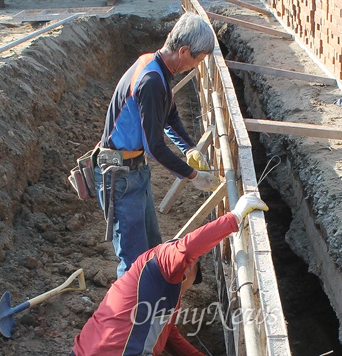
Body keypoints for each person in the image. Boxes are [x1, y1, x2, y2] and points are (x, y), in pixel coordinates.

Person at [93, 12, 219, 279]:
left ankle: (148, 309)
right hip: (119, 176)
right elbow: (154, 146)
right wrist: (193, 176)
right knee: (133, 262)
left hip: (133, 171)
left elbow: (169, 117)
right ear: (184, 50)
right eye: (197, 59)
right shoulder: (151, 81)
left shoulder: (156, 67)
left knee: (150, 247)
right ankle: (130, 318)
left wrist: (190, 149)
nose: (196, 66)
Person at [72, 193, 269, 356]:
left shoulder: (157, 289)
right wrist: (234, 217)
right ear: (190, 266)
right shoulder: (161, 260)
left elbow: (169, 337)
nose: (186, 288)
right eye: (191, 280)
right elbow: (188, 247)